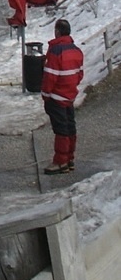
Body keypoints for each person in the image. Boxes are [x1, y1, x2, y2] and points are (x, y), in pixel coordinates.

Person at [41, 18, 84, 174]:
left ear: (57, 32)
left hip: (56, 97)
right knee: (70, 127)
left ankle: (60, 162)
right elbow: (79, 74)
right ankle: (69, 159)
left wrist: (45, 95)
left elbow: (50, 77)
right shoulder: (76, 51)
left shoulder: (55, 51)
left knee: (60, 130)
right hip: (69, 96)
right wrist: (70, 88)